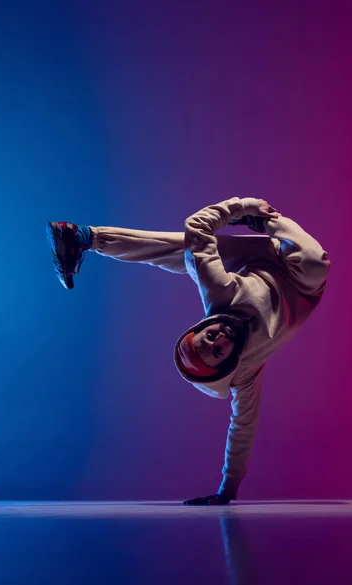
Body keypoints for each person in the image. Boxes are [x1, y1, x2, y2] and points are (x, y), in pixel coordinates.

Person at [46, 197, 330, 505]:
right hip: (303, 282)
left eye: (208, 338)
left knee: (188, 250)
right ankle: (82, 239)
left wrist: (245, 207)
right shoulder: (245, 371)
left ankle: (81, 236)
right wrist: (228, 490)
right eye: (219, 350)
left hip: (257, 260)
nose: (218, 338)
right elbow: (242, 428)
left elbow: (196, 225)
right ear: (230, 361)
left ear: (201, 328)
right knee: (316, 263)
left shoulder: (220, 292)